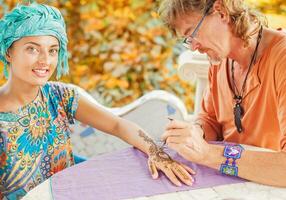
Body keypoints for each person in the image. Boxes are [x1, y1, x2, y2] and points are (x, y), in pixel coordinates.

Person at [0, 3, 195, 199]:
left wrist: (156, 153)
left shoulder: (58, 96)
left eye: (52, 50)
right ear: (8, 52)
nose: (45, 60)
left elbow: (117, 125)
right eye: (32, 49)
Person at [158, 0, 286, 187]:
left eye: (192, 33)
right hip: (230, 186)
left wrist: (208, 155)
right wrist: (195, 132)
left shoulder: (281, 59)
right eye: (187, 40)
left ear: (221, 11)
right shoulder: (221, 61)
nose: (193, 47)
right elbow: (211, 120)